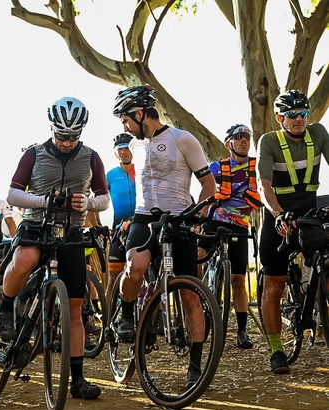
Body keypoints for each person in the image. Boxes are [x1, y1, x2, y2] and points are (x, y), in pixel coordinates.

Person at [0, 97, 110, 400]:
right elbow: (13, 194)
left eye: (73, 137)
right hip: (36, 227)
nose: (67, 143)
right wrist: (44, 201)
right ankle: (5, 308)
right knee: (24, 260)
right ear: (52, 128)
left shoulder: (92, 157)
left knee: (74, 308)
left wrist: (87, 203)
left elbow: (104, 199)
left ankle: (78, 380)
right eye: (61, 136)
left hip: (71, 232)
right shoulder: (34, 154)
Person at [112, 85, 216, 387]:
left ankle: (195, 365)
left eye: (125, 120)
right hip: (145, 217)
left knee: (189, 293)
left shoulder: (183, 139)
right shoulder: (136, 145)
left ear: (140, 113)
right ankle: (127, 315)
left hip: (180, 217)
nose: (125, 127)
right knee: (135, 266)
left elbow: (208, 185)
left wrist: (197, 217)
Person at [256, 90, 329, 374]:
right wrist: (277, 214)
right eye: (292, 115)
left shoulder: (318, 133)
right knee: (274, 284)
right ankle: (277, 350)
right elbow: (263, 185)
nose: (299, 119)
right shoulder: (269, 141)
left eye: (303, 113)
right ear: (280, 118)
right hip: (279, 215)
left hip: (310, 214)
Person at [198, 124, 261, 350]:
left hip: (239, 226)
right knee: (198, 257)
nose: (244, 140)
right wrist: (199, 217)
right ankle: (198, 301)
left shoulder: (257, 166)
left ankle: (242, 331)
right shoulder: (217, 167)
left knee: (238, 280)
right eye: (239, 136)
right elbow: (205, 189)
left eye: (247, 136)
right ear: (228, 143)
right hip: (214, 222)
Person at [105, 133, 136, 299]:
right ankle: (107, 314)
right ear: (115, 152)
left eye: (127, 148)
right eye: (120, 149)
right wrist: (97, 225)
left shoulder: (142, 172)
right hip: (118, 229)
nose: (123, 152)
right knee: (113, 280)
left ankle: (156, 312)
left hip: (141, 226)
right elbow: (96, 199)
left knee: (147, 277)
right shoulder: (110, 176)